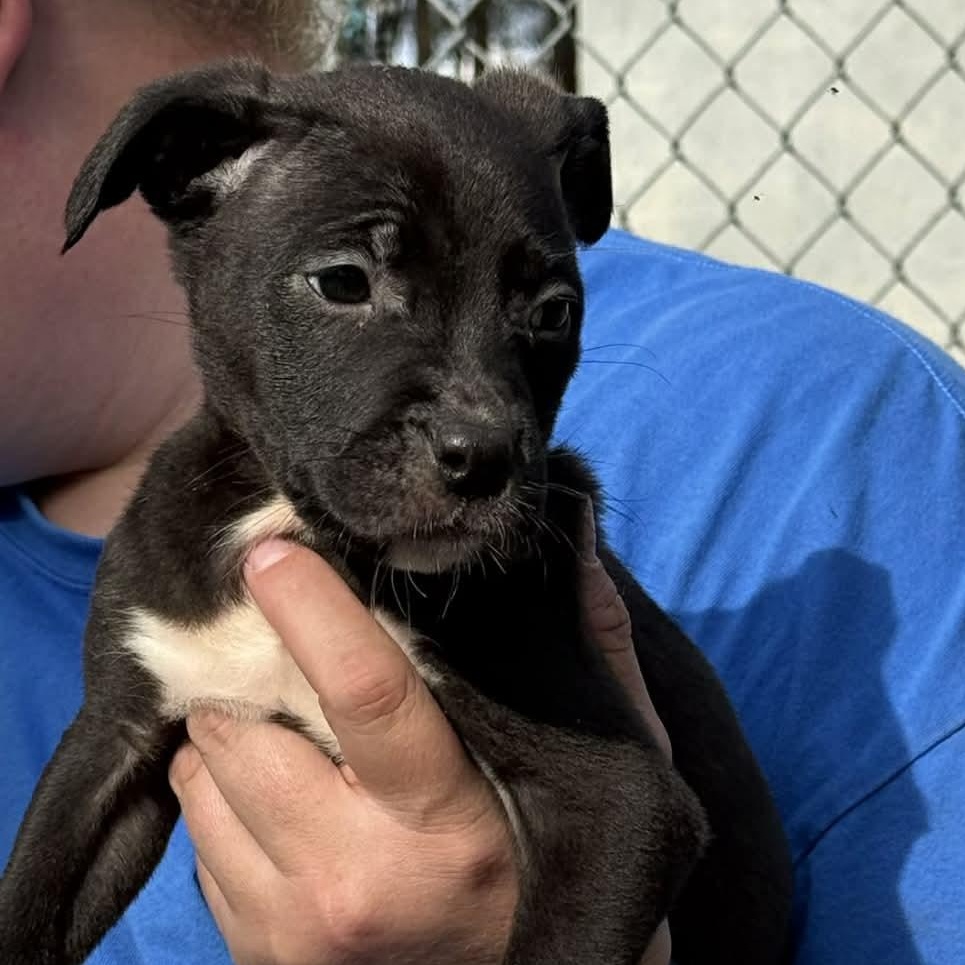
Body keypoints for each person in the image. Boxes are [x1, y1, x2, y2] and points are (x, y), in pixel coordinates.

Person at [1, 2, 963, 964]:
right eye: (347, 284)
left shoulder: (806, 429)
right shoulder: (164, 542)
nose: (482, 420)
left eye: (541, 315)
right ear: (189, 183)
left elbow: (628, 812)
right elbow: (107, 771)